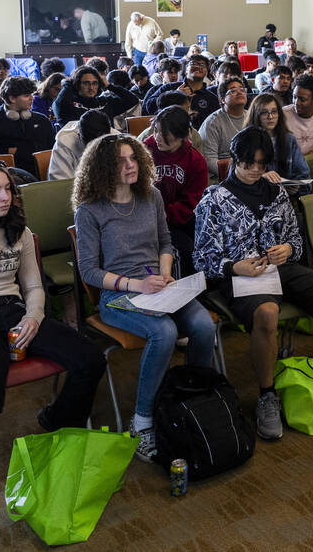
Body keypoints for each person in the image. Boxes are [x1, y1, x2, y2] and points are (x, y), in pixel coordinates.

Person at [0, 160, 105, 500]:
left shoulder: (20, 232)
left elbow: (34, 286)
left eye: (7, 189)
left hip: (15, 313)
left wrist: (34, 317)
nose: (5, 197)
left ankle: (58, 419)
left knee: (91, 359)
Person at [192, 127, 313, 440]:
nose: (255, 170)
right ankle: (267, 395)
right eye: (249, 163)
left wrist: (289, 248)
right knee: (266, 313)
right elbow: (201, 257)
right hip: (241, 274)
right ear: (235, 159)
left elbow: (295, 239)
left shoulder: (276, 192)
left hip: (279, 267)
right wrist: (233, 266)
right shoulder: (215, 199)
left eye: (262, 165)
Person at [72, 135, 215, 456]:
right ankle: (143, 420)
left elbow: (166, 242)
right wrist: (138, 286)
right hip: (117, 296)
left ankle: (192, 398)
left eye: (133, 158)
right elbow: (89, 272)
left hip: (157, 286)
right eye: (121, 161)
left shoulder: (150, 196)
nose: (131, 165)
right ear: (104, 170)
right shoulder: (90, 211)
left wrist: (165, 272)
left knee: (204, 325)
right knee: (164, 333)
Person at [143, 106, 206, 275]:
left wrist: (165, 215)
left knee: (199, 245)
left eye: (165, 133)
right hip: (147, 218)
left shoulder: (195, 160)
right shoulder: (145, 151)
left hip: (179, 220)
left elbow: (192, 201)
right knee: (185, 249)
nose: (157, 137)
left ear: (181, 135)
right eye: (155, 130)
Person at [0, 77, 54, 179]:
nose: (32, 98)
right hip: (7, 177)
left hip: (42, 174)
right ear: (12, 98)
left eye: (31, 94)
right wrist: (8, 151)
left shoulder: (42, 120)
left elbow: (51, 150)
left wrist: (15, 150)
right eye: (26, 95)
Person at [248, 92, 311, 192]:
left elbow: (304, 175)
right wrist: (261, 176)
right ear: (256, 115)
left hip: (286, 197)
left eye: (274, 112)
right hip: (256, 196)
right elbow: (237, 178)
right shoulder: (245, 140)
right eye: (264, 112)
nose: (270, 117)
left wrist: (295, 187)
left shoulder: (289, 139)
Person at [198, 76, 250, 179]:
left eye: (242, 89)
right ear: (222, 99)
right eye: (233, 91)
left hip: (250, 171)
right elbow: (208, 160)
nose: (240, 92)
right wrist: (238, 175)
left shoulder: (251, 117)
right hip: (220, 177)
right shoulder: (212, 123)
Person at [53, 65, 137, 125]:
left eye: (95, 83)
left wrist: (109, 86)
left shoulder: (105, 102)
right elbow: (59, 105)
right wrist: (68, 84)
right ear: (77, 84)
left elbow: (133, 100)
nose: (91, 87)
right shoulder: (70, 105)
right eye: (86, 83)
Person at [47, 109, 112, 181]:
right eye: (91, 146)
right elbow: (60, 182)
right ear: (80, 137)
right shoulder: (65, 144)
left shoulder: (115, 138)